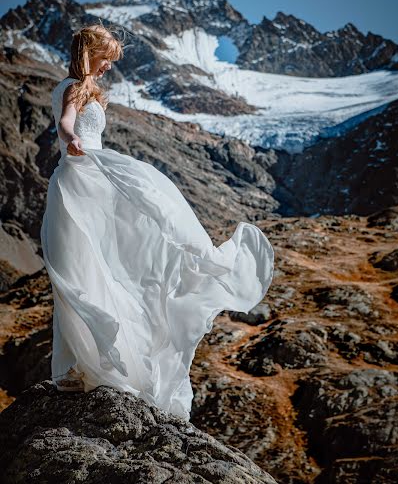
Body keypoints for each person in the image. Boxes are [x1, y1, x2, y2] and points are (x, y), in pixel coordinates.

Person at [40, 22, 275, 422]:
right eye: (105, 59)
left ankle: (93, 363)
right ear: (90, 54)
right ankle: (80, 366)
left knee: (104, 266)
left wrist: (82, 147)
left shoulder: (92, 90)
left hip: (95, 183)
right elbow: (65, 123)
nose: (108, 68)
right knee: (78, 271)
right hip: (77, 179)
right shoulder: (73, 87)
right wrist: (73, 143)